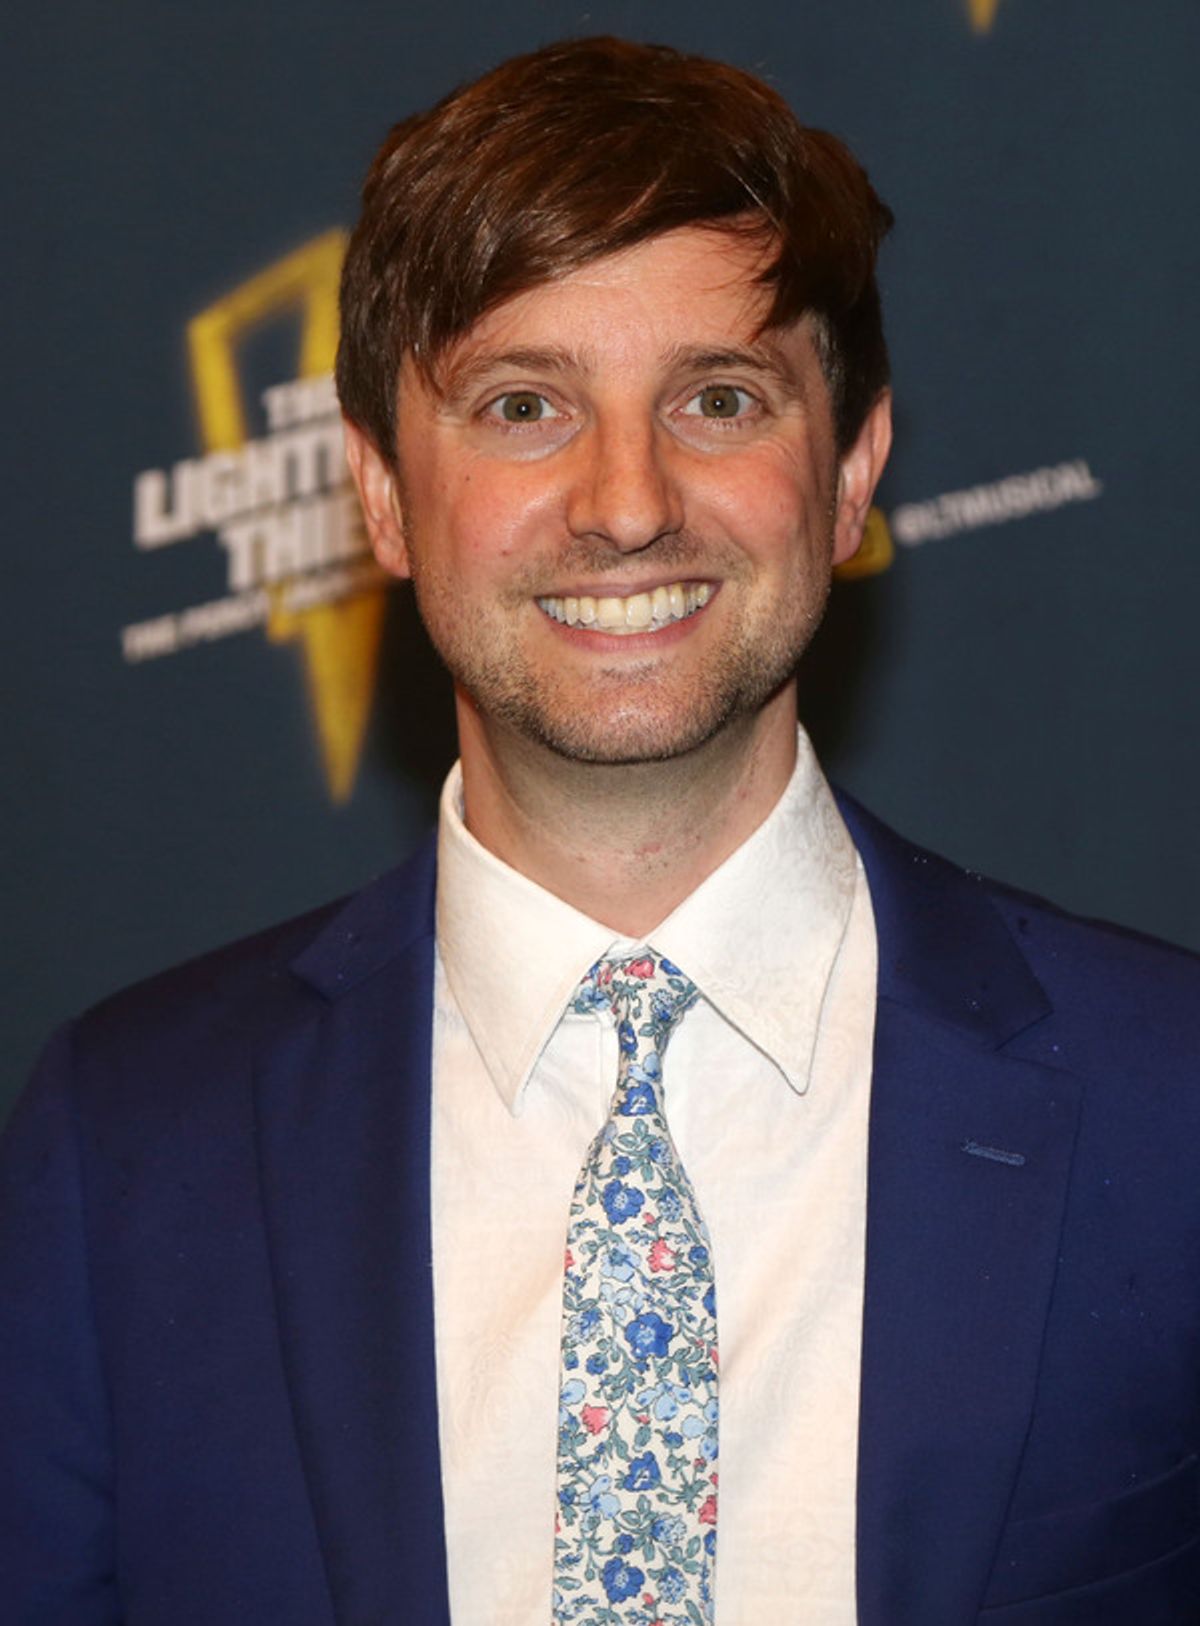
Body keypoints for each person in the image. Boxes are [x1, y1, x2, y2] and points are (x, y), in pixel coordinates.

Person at [1, 35, 1197, 1626]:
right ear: (379, 491)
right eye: (523, 405)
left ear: (851, 470)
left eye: (718, 398)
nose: (626, 501)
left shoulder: (1171, 1102)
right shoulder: (124, 1146)